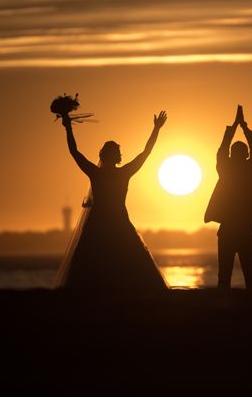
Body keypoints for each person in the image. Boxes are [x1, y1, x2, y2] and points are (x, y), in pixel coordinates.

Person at [55, 110, 169, 290]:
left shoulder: (97, 173)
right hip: (117, 221)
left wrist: (68, 126)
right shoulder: (122, 174)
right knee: (127, 257)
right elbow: (145, 153)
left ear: (102, 156)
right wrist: (156, 129)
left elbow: (74, 152)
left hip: (100, 223)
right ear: (117, 156)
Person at [204, 106, 252, 290]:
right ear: (246, 155)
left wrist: (236, 127)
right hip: (241, 230)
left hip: (232, 230)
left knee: (226, 276)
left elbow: (222, 150)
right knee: (248, 275)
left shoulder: (228, 170)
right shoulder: (250, 170)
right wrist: (243, 128)